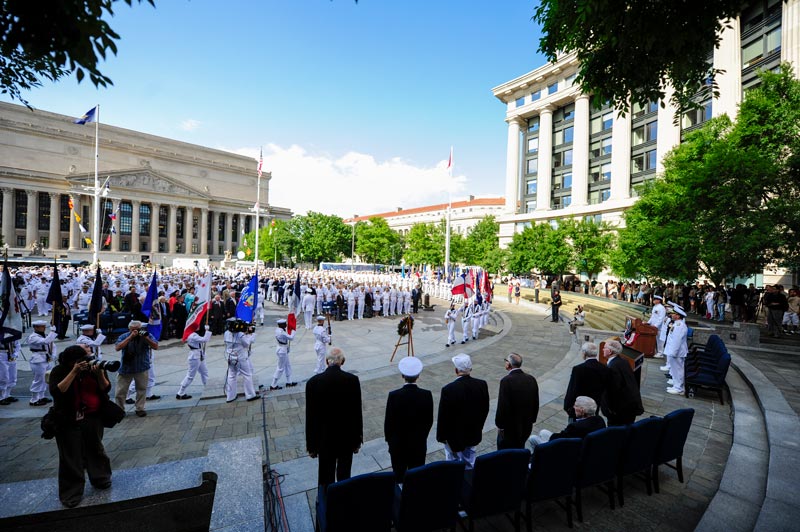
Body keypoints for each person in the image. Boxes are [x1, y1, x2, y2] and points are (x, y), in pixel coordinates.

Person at [49, 345, 113, 508]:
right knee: (71, 455)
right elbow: (58, 391)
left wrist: (99, 373)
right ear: (71, 362)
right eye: (79, 362)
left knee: (96, 448)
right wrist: (74, 372)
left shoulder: (93, 367)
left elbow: (106, 388)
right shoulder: (60, 370)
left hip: (92, 416)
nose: (84, 364)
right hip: (67, 418)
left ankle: (101, 478)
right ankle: (71, 492)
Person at [306, 347, 363, 487]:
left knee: (325, 477)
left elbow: (310, 417)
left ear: (326, 361)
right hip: (346, 438)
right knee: (344, 476)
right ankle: (343, 503)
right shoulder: (352, 380)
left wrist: (311, 446)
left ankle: (327, 503)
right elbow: (357, 413)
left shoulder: (313, 383)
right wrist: (357, 441)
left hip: (324, 439)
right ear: (342, 361)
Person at [384, 356, 434, 483]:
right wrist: (422, 437)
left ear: (402, 375)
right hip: (418, 444)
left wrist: (390, 441)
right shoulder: (426, 394)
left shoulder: (394, 396)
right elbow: (429, 421)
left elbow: (388, 423)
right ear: (418, 376)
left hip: (398, 445)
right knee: (416, 477)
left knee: (399, 477)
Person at [436, 354, 489, 469]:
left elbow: (443, 416)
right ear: (470, 369)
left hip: (453, 437)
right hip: (472, 432)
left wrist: (441, 436)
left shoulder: (448, 389)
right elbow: (485, 409)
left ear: (456, 370)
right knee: (470, 462)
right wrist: (479, 427)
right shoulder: (482, 384)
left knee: (452, 463)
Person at [495, 353, 539, 450]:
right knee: (519, 448)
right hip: (526, 426)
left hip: (510, 429)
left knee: (505, 453)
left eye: (506, 361)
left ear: (509, 364)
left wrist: (500, 425)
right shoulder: (531, 379)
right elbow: (536, 402)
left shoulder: (506, 381)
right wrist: (532, 420)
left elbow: (503, 406)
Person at [114, 320, 158, 417]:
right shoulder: (124, 336)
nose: (136, 331)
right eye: (133, 330)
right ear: (129, 329)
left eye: (138, 329)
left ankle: (140, 408)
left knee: (141, 390)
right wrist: (130, 337)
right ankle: (119, 410)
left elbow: (155, 346)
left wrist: (146, 338)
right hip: (126, 368)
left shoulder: (146, 335)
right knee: (120, 392)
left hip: (142, 367)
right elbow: (117, 347)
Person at [529, 396, 606, 446]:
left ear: (582, 411)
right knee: (543, 432)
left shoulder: (576, 427)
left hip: (565, 450)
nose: (574, 407)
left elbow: (560, 438)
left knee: (533, 438)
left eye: (576, 406)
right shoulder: (600, 420)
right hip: (583, 447)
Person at [563, 342, 609, 421]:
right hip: (594, 406)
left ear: (584, 353)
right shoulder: (604, 368)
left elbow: (572, 390)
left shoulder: (578, 369)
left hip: (579, 409)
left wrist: (567, 407)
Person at [601, 340, 643, 426]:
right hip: (629, 407)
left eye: (604, 348)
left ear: (610, 351)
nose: (602, 349)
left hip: (620, 412)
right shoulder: (623, 361)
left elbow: (613, 391)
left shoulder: (612, 367)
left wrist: (610, 410)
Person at [224, 318, 259, 402]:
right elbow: (247, 343)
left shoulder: (226, 333)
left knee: (231, 376)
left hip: (230, 357)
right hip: (240, 358)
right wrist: (251, 334)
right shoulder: (240, 335)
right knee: (247, 375)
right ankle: (250, 395)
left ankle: (230, 396)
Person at [176, 323, 212, 400]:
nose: (198, 326)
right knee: (190, 376)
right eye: (196, 326)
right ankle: (180, 392)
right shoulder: (192, 335)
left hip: (199, 355)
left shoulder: (193, 334)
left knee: (204, 372)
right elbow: (205, 339)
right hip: (195, 357)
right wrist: (207, 330)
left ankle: (207, 388)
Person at [28, 320, 57, 406]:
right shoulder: (32, 337)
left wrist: (53, 355)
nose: (44, 328)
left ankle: (41, 396)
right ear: (36, 327)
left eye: (44, 326)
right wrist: (52, 332)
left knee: (46, 379)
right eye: (42, 326)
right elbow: (46, 342)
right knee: (39, 379)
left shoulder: (46, 335)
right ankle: (34, 399)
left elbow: (53, 345)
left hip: (47, 358)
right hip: (38, 359)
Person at [664, 306, 689, 395]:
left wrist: (673, 352)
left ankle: (679, 388)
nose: (672, 315)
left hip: (677, 352)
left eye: (673, 314)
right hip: (674, 351)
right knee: (675, 370)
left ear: (678, 316)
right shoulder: (676, 324)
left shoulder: (679, 325)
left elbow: (677, 340)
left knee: (678, 369)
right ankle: (676, 385)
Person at [270, 318, 297, 390]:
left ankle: (289, 381)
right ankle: (273, 384)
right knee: (280, 368)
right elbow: (291, 338)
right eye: (285, 324)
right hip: (282, 350)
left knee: (287, 365)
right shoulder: (281, 332)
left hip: (282, 348)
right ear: (281, 325)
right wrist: (294, 330)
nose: (286, 325)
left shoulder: (279, 330)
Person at [0, 337, 21, 405]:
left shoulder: (12, 333)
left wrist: (15, 354)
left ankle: (7, 395)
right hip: (2, 354)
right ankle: (1, 397)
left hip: (12, 354)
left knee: (12, 377)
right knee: (3, 377)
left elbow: (17, 345)